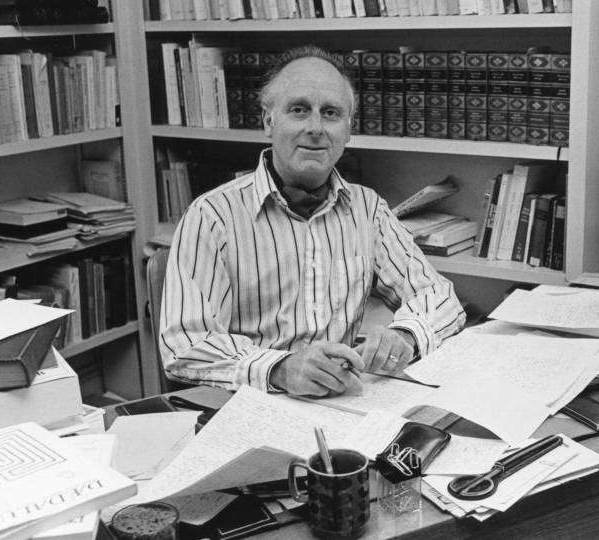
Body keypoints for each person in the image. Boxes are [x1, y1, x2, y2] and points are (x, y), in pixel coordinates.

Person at [159, 45, 466, 397]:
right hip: (250, 404)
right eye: (299, 110)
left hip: (344, 401)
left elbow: (439, 296)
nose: (316, 128)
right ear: (268, 122)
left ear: (348, 131)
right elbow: (184, 345)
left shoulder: (367, 209)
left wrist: (405, 336)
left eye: (331, 113)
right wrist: (281, 368)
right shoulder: (212, 216)